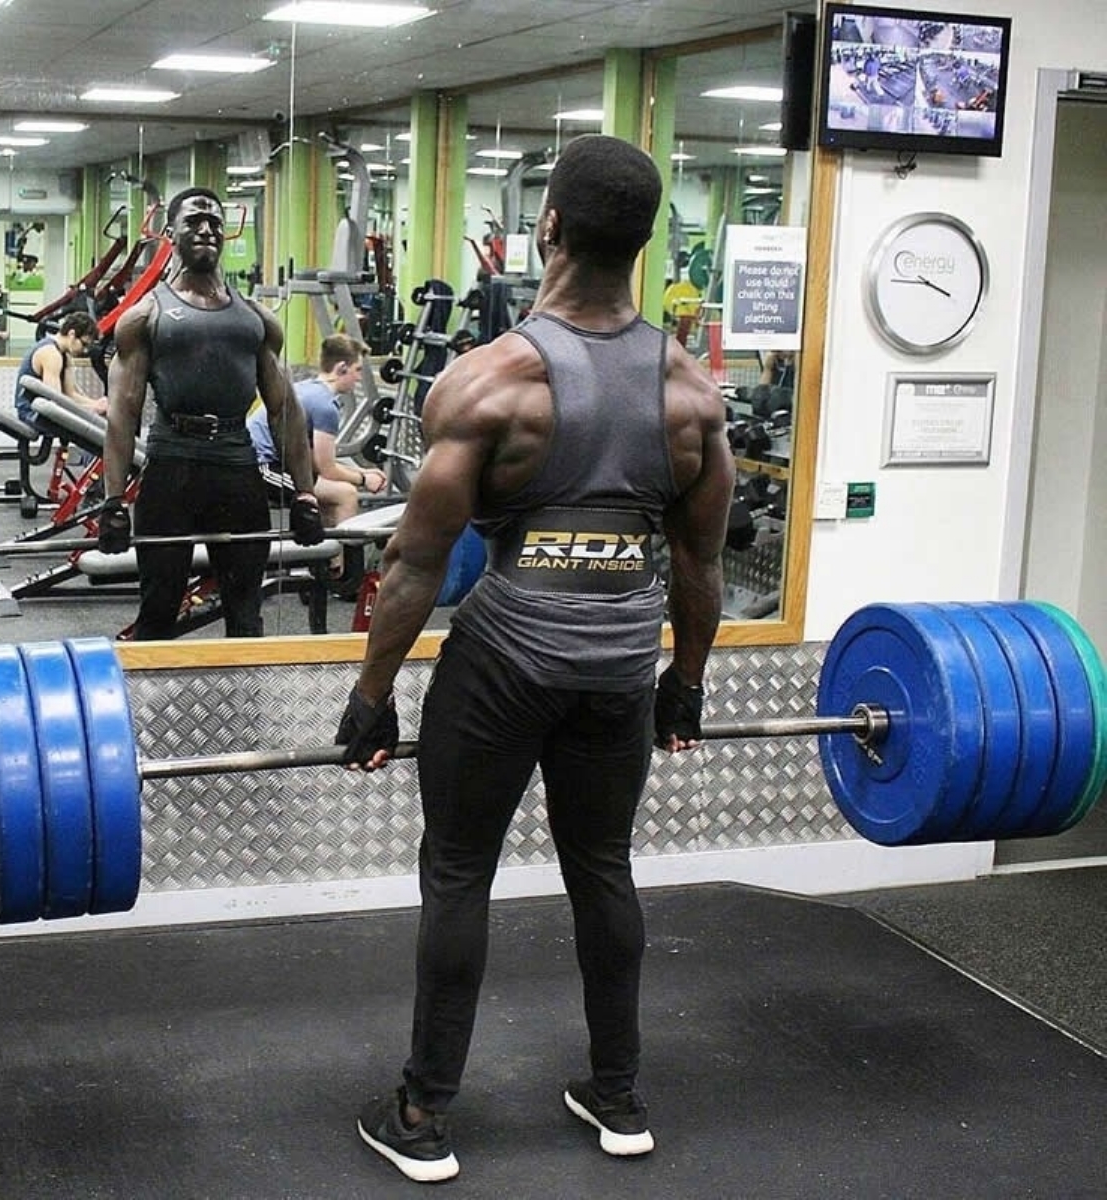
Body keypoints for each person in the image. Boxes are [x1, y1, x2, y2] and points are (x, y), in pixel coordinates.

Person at [338, 134, 735, 1183]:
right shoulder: (693, 394)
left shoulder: (488, 384)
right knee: (602, 867)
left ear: (547, 226)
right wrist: (685, 684)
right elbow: (699, 566)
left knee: (458, 871)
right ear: (645, 241)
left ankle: (423, 1112)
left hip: (504, 666)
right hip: (618, 671)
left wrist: (372, 695)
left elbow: (415, 560)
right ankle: (619, 1096)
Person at [98, 186, 325, 640]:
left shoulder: (256, 319)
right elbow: (123, 414)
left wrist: (305, 493)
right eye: (193, 222)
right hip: (171, 468)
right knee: (158, 610)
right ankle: (150, 689)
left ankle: (244, 690)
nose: (206, 229)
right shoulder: (145, 315)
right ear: (171, 233)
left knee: (247, 613)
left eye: (215, 223)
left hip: (237, 467)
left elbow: (285, 410)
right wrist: (113, 500)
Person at [247, 332, 388, 599]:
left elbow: (314, 459)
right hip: (259, 468)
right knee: (344, 494)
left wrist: (360, 471)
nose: (359, 378)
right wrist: (364, 479)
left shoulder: (308, 389)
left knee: (332, 493)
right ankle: (344, 580)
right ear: (341, 368)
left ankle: (325, 571)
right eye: (357, 370)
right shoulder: (324, 405)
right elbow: (326, 468)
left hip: (275, 463)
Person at [14, 310, 105, 431]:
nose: (85, 350)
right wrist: (92, 409)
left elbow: (70, 394)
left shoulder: (65, 356)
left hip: (44, 411)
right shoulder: (51, 354)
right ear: (72, 334)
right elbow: (56, 401)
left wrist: (96, 404)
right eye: (84, 344)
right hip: (33, 415)